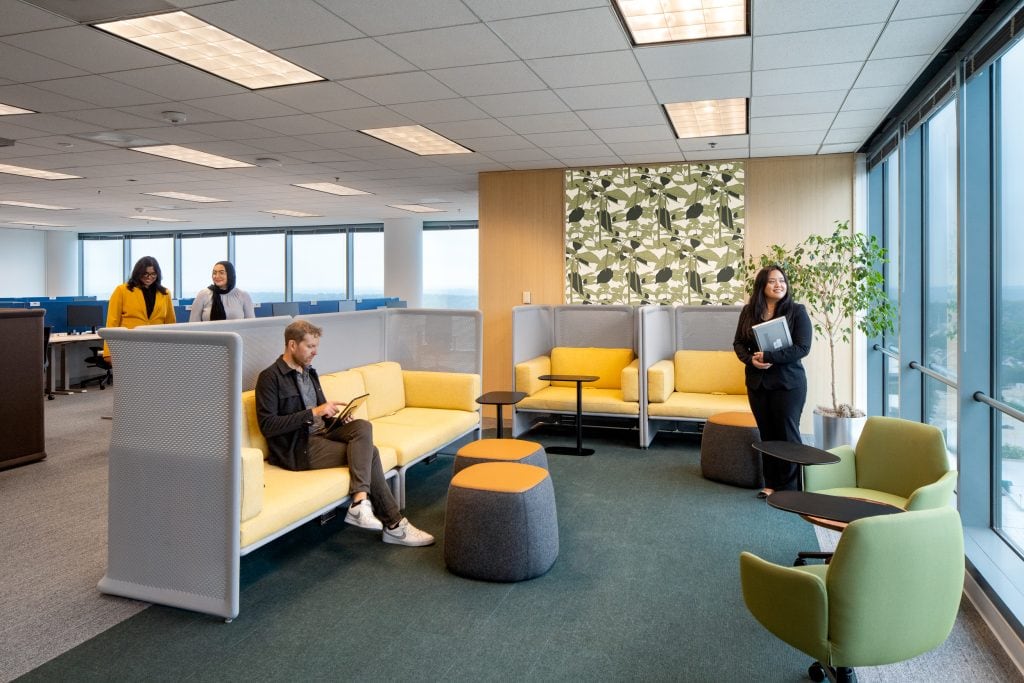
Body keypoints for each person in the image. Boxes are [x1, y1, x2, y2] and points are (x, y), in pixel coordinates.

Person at [255, 319, 434, 547]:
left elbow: (321, 415)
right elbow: (268, 425)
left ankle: (362, 504)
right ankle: (392, 523)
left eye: (316, 346)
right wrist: (314, 412)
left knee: (362, 426)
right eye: (310, 346)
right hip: (298, 448)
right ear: (292, 345)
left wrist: (336, 418)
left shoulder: (309, 372)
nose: (315, 352)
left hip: (323, 434)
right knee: (370, 453)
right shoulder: (270, 377)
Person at [733, 265, 812, 497]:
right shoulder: (749, 311)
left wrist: (768, 357)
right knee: (767, 435)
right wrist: (751, 360)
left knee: (787, 435)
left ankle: (790, 488)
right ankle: (771, 483)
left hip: (788, 384)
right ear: (762, 286)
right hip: (758, 384)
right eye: (772, 281)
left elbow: (802, 347)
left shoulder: (797, 311)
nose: (779, 285)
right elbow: (738, 343)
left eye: (782, 280)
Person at [104, 256, 176, 360]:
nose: (149, 277)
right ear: (138, 273)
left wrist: (173, 349)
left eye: (153, 274)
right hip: (129, 346)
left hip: (157, 347)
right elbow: (112, 323)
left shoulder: (165, 293)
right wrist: (108, 352)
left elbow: (171, 324)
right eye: (145, 274)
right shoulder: (122, 291)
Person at [189, 261, 255, 322]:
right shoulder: (203, 295)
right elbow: (193, 323)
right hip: (209, 331)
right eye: (214, 273)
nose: (217, 276)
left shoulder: (243, 295)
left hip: (236, 331)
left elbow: (251, 325)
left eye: (221, 273)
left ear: (230, 274)